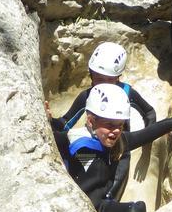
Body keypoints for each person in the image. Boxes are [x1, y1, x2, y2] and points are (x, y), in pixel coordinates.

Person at [51, 83, 172, 212]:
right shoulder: (77, 142)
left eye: (120, 125)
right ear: (91, 121)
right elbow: (51, 137)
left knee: (137, 210)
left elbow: (145, 134)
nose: (115, 131)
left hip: (101, 203)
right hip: (87, 210)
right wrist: (48, 121)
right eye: (109, 125)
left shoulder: (115, 141)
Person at [47, 41, 156, 201]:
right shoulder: (89, 95)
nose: (103, 84)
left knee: (110, 196)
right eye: (98, 79)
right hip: (95, 149)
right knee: (90, 189)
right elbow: (65, 123)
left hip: (120, 151)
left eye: (108, 80)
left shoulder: (127, 92)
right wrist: (49, 120)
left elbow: (149, 112)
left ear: (118, 77)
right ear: (90, 75)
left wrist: (147, 143)